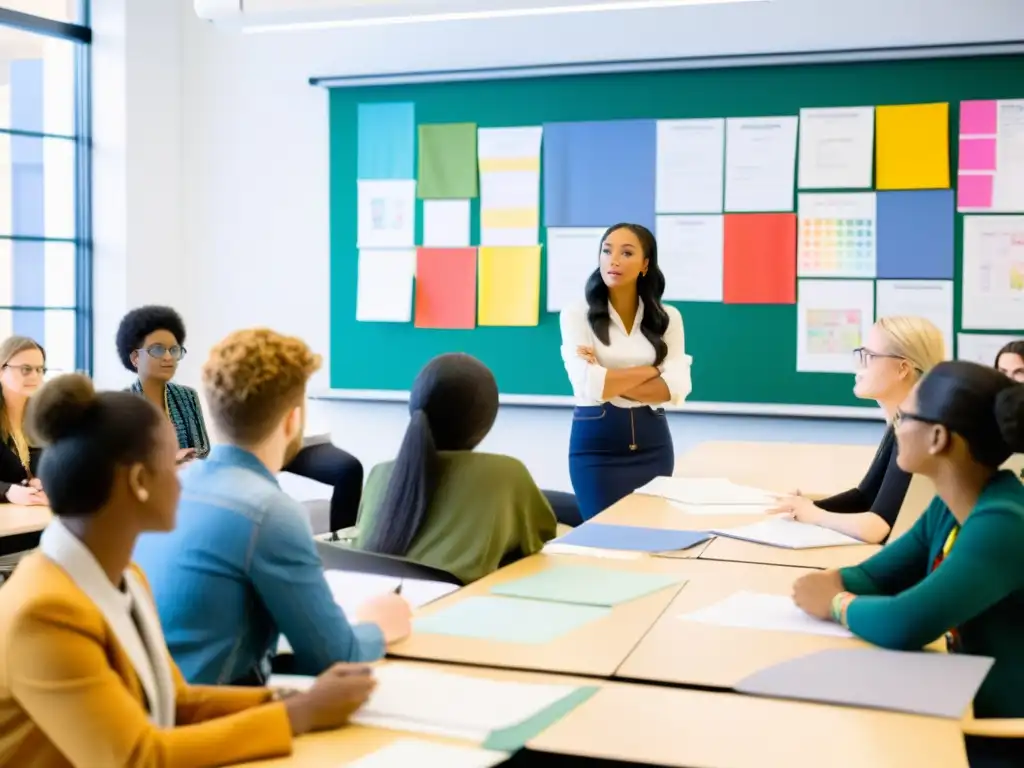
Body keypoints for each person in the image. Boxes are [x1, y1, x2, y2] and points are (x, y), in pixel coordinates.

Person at [0, 374, 378, 767]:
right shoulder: (43, 613)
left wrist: (294, 700)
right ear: (140, 481)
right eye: (177, 463)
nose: (188, 477)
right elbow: (137, 758)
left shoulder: (126, 576)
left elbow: (175, 699)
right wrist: (297, 717)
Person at [133, 328, 411, 686]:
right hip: (211, 716)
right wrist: (378, 625)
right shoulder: (269, 511)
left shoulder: (167, 489)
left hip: (152, 702)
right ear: (293, 420)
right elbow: (334, 655)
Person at [791, 361, 1024, 768]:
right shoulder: (950, 506)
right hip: (954, 701)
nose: (897, 425)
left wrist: (836, 603)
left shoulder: (1003, 521)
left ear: (938, 438)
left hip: (994, 736)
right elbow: (877, 576)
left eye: (907, 416)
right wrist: (839, 581)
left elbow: (906, 622)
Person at [117, 305, 366, 528]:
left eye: (174, 350)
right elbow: (127, 463)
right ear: (136, 357)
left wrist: (186, 458)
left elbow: (201, 449)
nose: (168, 357)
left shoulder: (185, 397)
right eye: (158, 350)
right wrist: (172, 460)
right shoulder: (126, 405)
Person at [355, 353, 557, 583]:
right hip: (460, 609)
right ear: (486, 419)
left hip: (381, 604)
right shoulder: (506, 475)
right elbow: (541, 536)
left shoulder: (379, 475)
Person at [558, 223, 691, 521]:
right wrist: (652, 370)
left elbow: (676, 387)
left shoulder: (667, 318)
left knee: (651, 535)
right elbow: (590, 385)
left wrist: (608, 375)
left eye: (626, 252)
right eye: (607, 251)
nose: (613, 259)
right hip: (596, 448)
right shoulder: (577, 314)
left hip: (653, 444)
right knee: (603, 536)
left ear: (645, 265)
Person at [771, 317, 945, 544]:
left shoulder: (917, 432)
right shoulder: (903, 422)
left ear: (903, 368)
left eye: (869, 357)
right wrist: (806, 507)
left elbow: (876, 527)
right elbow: (865, 497)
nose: (859, 366)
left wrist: (814, 514)